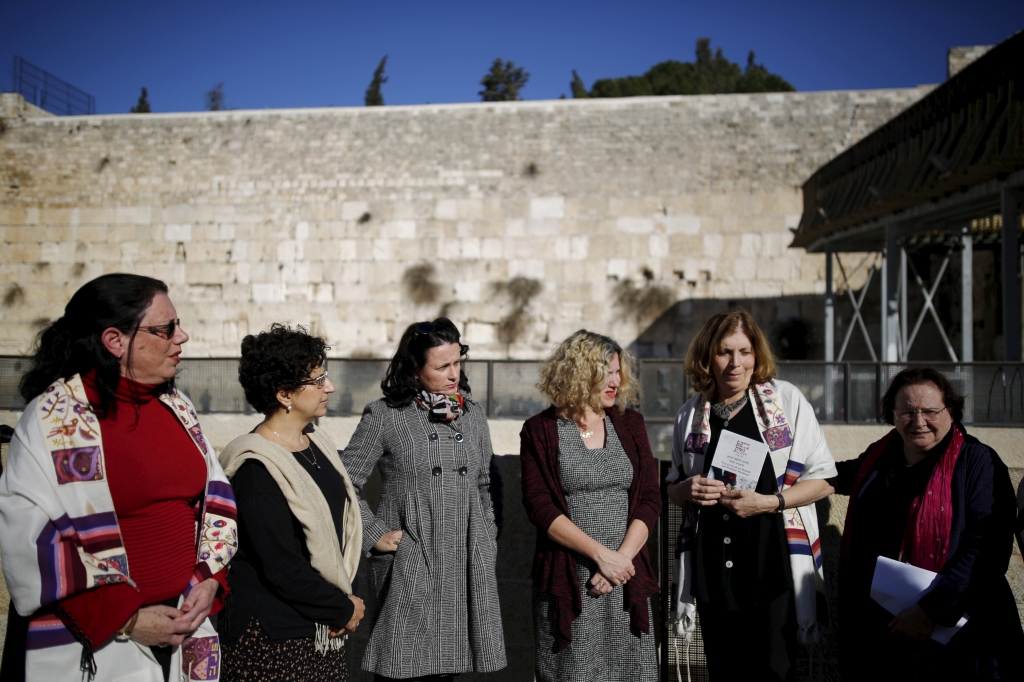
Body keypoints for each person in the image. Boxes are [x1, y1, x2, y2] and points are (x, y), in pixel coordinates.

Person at [0, 273, 236, 682]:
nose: (182, 337)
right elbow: (28, 536)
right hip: (98, 635)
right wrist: (127, 619)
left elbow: (213, 500)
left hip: (185, 631)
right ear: (115, 341)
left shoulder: (178, 407)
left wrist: (211, 579)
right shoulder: (52, 420)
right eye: (166, 329)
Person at [665, 309, 835, 681]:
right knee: (725, 672)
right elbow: (674, 485)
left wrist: (770, 502)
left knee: (776, 671)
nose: (735, 363)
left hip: (770, 563)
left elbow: (823, 480)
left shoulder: (786, 403)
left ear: (757, 354)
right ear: (708, 355)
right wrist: (684, 489)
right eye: (725, 352)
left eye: (745, 351)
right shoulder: (690, 414)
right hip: (713, 568)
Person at [341, 318, 506, 681]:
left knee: (448, 669)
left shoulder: (473, 414)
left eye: (457, 362)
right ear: (415, 371)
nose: (453, 374)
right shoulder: (386, 415)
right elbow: (344, 481)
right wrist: (374, 534)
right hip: (412, 560)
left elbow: (484, 484)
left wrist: (485, 536)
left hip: (464, 559)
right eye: (442, 366)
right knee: (401, 665)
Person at [834, 367, 1024, 680]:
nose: (918, 422)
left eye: (930, 411)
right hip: (883, 632)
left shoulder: (978, 463)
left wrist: (931, 612)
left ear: (951, 410)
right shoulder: (881, 457)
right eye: (907, 411)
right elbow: (837, 475)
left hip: (956, 636)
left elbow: (986, 548)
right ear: (892, 415)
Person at [218, 324, 365, 681]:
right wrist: (341, 608)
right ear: (284, 394)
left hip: (321, 631)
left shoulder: (317, 445)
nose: (328, 387)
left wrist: (342, 605)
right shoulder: (256, 469)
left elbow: (338, 532)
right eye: (317, 380)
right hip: (275, 641)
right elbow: (281, 565)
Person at [520, 330, 660, 682]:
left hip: (626, 576)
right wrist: (601, 557)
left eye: (618, 372)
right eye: (606, 373)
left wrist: (621, 560)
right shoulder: (540, 430)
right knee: (573, 672)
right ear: (580, 373)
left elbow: (649, 497)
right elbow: (539, 506)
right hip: (571, 578)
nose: (616, 381)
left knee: (632, 671)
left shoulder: (630, 423)